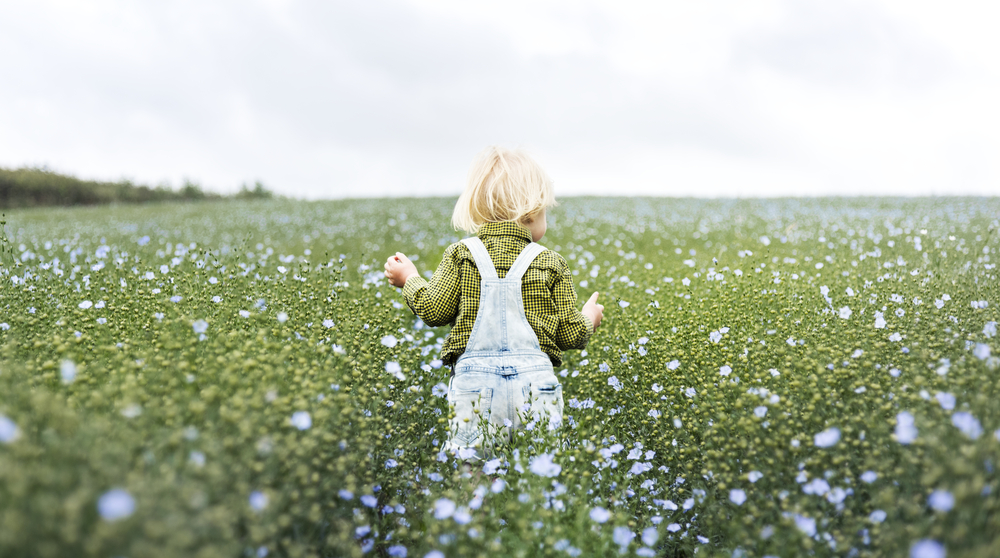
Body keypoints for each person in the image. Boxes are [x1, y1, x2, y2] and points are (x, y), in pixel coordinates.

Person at [383, 146, 604, 460]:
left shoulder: (460, 254)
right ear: (531, 212)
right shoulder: (552, 263)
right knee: (539, 471)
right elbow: (570, 335)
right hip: (535, 387)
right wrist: (589, 317)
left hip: (475, 385)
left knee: (473, 469)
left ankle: (476, 509)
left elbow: (435, 310)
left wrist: (410, 279)